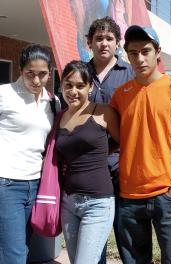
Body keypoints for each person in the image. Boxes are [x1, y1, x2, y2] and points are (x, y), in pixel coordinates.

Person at [110, 25, 171, 263]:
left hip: (167, 195)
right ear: (127, 55)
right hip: (129, 196)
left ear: (158, 52)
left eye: (145, 51)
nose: (139, 58)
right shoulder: (120, 95)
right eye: (133, 53)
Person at [0, 44, 59, 264]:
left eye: (42, 74)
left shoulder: (52, 102)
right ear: (21, 70)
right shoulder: (2, 94)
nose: (36, 80)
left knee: (22, 251)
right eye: (29, 73)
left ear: (50, 72)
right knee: (14, 256)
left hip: (34, 185)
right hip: (0, 182)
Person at [56, 60, 119, 264]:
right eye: (68, 84)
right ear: (62, 85)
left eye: (80, 85)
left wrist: (102, 153)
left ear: (90, 86)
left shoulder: (103, 112)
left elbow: (124, 142)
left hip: (98, 204)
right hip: (68, 202)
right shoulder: (59, 117)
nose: (73, 91)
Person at [85, 16, 134, 263]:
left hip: (121, 166)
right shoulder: (80, 74)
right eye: (99, 38)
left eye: (109, 38)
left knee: (126, 233)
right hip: (89, 168)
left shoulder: (131, 73)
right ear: (89, 43)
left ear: (118, 43)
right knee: (95, 236)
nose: (104, 43)